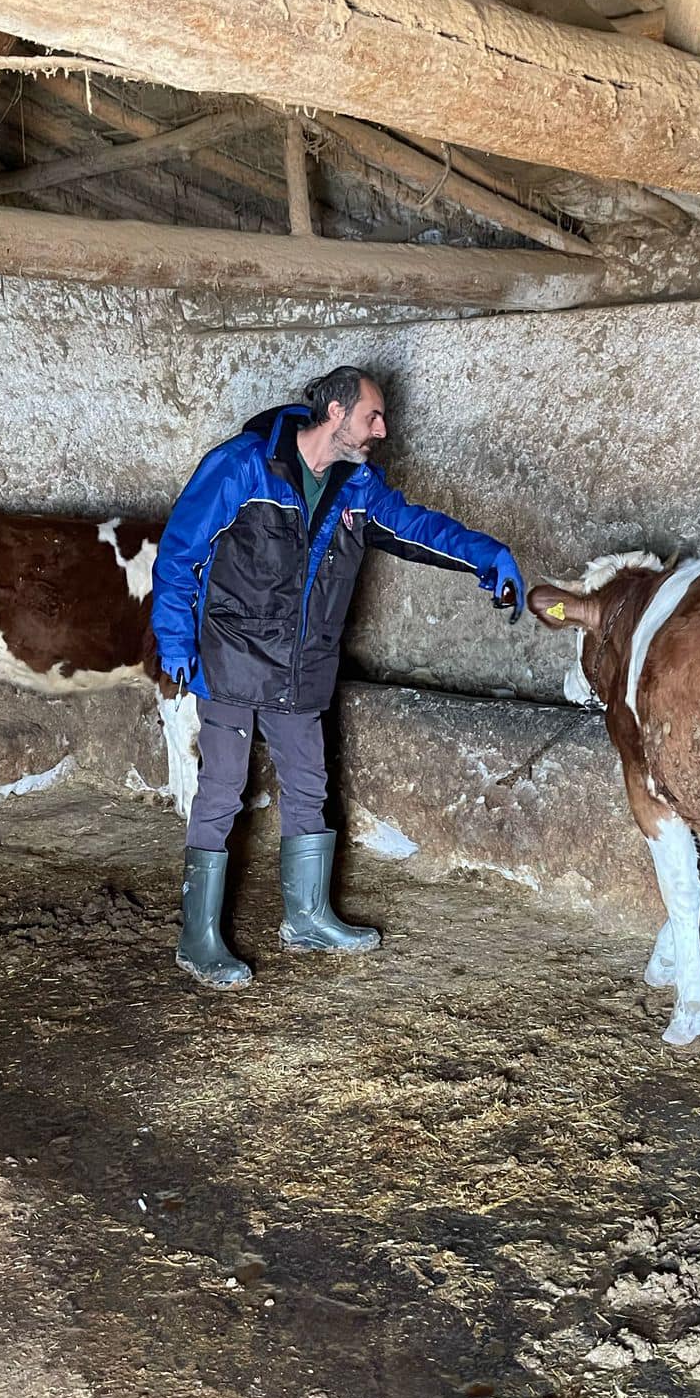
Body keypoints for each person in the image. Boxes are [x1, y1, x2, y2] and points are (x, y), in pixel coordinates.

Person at [152, 365, 525, 989]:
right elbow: (180, 550)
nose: (381, 429)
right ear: (334, 414)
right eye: (371, 417)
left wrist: (486, 554)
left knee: (308, 784)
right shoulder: (244, 466)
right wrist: (175, 640)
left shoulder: (358, 487)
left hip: (302, 664)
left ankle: (307, 916)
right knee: (221, 791)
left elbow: (417, 528)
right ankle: (198, 936)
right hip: (232, 657)